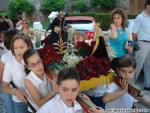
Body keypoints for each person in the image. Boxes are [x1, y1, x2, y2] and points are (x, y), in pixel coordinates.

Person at [2, 32, 33, 113]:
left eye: (22, 47)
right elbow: (4, 87)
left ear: (29, 46)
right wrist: (16, 92)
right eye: (16, 48)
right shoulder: (10, 63)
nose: (18, 51)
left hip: (36, 99)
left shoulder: (34, 58)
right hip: (20, 102)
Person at [132, 0, 150, 90]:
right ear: (147, 5)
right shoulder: (140, 17)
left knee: (148, 65)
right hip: (142, 44)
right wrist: (136, 44)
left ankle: (147, 84)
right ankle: (131, 85)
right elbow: (134, 33)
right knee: (138, 65)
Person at [0, 29, 19, 113]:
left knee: (10, 107)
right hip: (17, 89)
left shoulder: (4, 57)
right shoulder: (22, 54)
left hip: (8, 88)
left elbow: (0, 77)